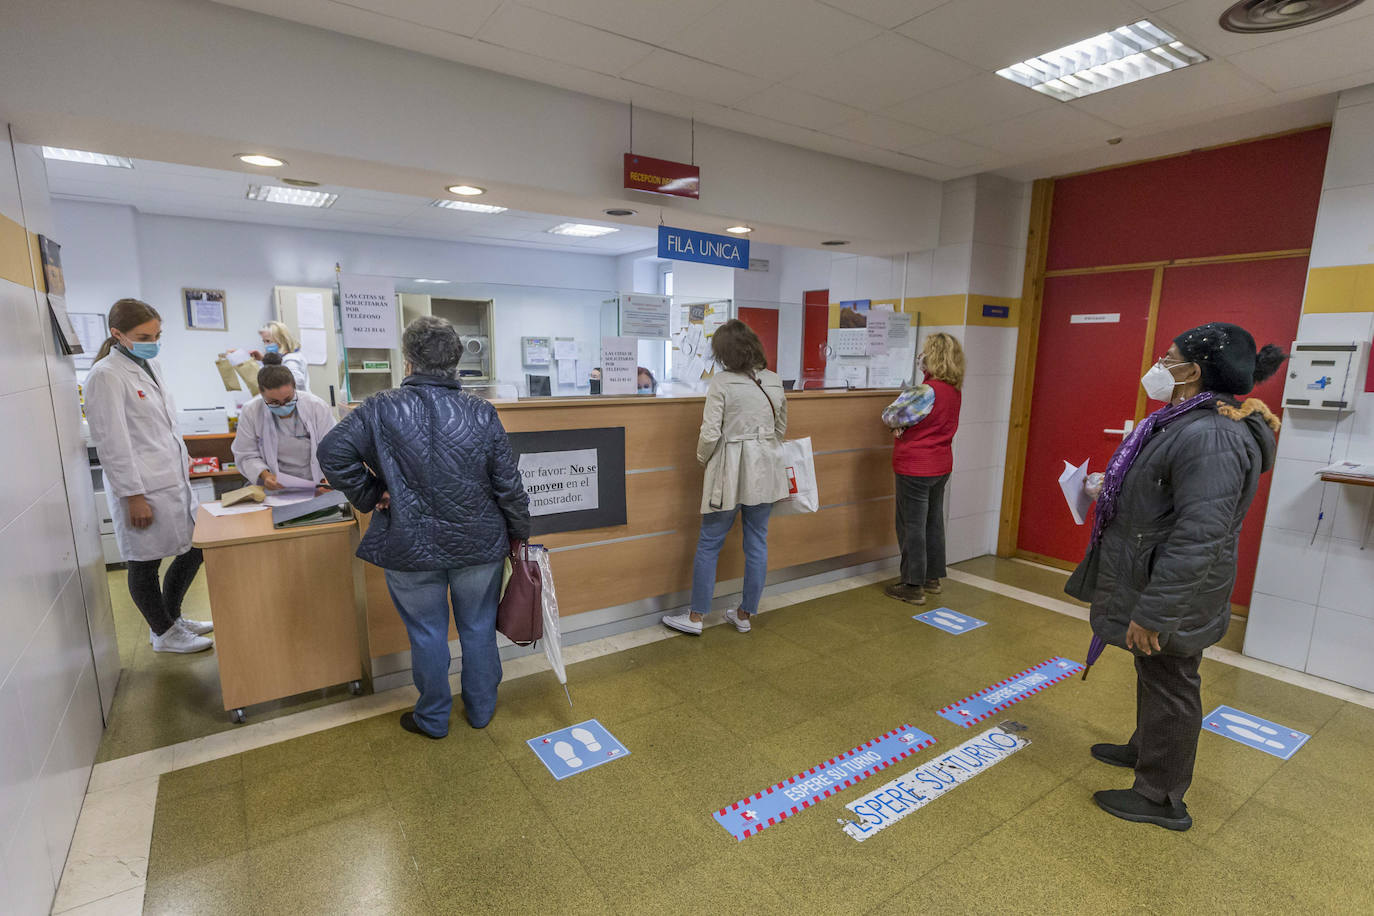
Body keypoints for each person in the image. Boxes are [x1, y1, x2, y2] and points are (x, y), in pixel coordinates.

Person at [1067, 322, 1285, 831]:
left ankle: (1162, 797)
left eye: (1169, 357)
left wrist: (1157, 612)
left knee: (1172, 684)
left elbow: (1200, 535)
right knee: (1157, 674)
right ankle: (1146, 751)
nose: (1159, 366)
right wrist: (1111, 488)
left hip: (1172, 590)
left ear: (1195, 370)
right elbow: (1166, 499)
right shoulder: (1186, 420)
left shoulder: (1211, 434)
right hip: (1157, 575)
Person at [318, 316, 530, 738]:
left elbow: (332, 453)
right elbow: (508, 482)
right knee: (477, 626)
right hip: (478, 541)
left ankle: (433, 718)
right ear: (456, 363)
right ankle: (481, 709)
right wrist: (521, 530)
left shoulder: (380, 407)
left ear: (408, 361)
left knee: (427, 633)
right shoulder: (481, 412)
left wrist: (371, 492)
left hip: (408, 543)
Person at [84, 299, 214, 653]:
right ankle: (162, 633)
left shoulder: (149, 363)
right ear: (117, 334)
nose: (153, 340)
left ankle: (173, 619)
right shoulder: (105, 375)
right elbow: (112, 442)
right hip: (143, 488)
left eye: (157, 334)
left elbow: (163, 425)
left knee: (194, 548)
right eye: (144, 335)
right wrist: (133, 495)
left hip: (170, 481)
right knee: (145, 562)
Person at [662, 320, 787, 636]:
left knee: (709, 542)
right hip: (765, 470)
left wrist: (703, 459)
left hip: (729, 469)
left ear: (724, 353)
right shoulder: (773, 381)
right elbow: (780, 429)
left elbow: (710, 433)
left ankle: (696, 617)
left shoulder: (721, 383)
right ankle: (745, 614)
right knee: (757, 541)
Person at [882, 332, 965, 606]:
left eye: (925, 352)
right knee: (932, 522)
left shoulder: (924, 391)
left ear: (933, 357)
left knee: (911, 526)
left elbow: (889, 415)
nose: (921, 357)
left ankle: (912, 585)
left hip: (915, 466)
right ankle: (932, 578)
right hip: (941, 466)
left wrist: (900, 424)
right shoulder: (953, 391)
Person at [232, 354, 336, 495]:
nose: (283, 406)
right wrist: (266, 476)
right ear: (261, 394)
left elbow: (333, 449)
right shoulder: (251, 411)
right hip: (276, 489)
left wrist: (328, 478)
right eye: (274, 402)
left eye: (288, 399)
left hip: (318, 486)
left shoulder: (316, 406)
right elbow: (246, 454)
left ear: (294, 388)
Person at [250, 320, 309, 391]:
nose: (266, 345)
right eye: (264, 341)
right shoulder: (283, 358)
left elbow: (297, 384)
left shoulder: (291, 360)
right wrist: (263, 359)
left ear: (281, 340)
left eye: (268, 341)